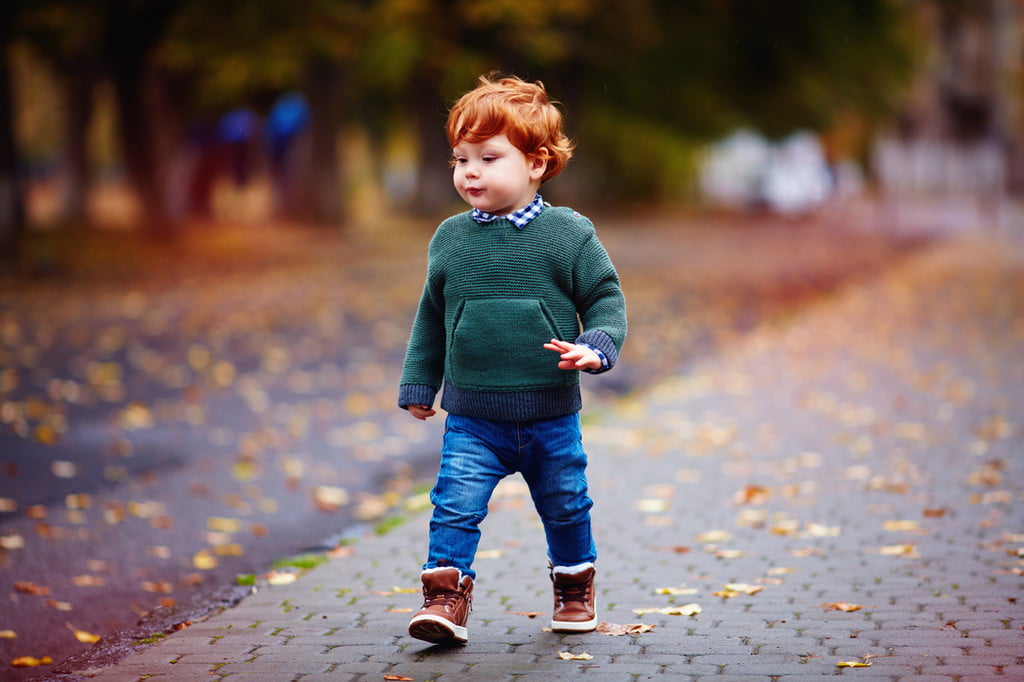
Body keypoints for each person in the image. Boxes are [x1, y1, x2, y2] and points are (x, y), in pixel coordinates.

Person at [398, 74, 627, 645]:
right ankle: (445, 599)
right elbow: (430, 315)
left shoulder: (568, 235)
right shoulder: (449, 239)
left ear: (537, 163)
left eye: (488, 158)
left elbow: (605, 298)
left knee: (567, 504)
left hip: (550, 414)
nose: (470, 172)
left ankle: (574, 587)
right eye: (460, 159)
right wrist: (419, 383)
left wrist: (596, 347)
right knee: (453, 504)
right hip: (473, 416)